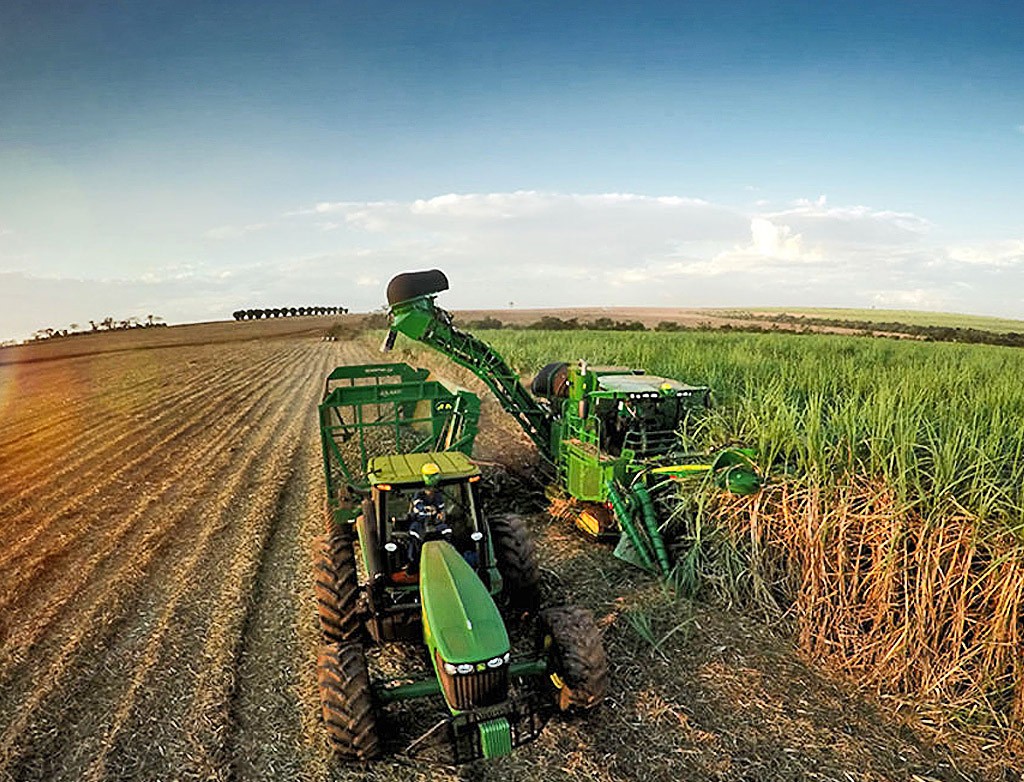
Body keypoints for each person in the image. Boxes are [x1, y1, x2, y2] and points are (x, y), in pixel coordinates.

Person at [406, 462, 451, 572]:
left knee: (447, 531)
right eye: (428, 489)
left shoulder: (438, 496)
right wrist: (427, 510)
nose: (431, 491)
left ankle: (451, 557)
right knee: (414, 533)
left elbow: (441, 508)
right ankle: (413, 561)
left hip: (434, 523)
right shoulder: (419, 495)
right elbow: (418, 507)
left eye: (432, 489)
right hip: (420, 522)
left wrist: (441, 514)